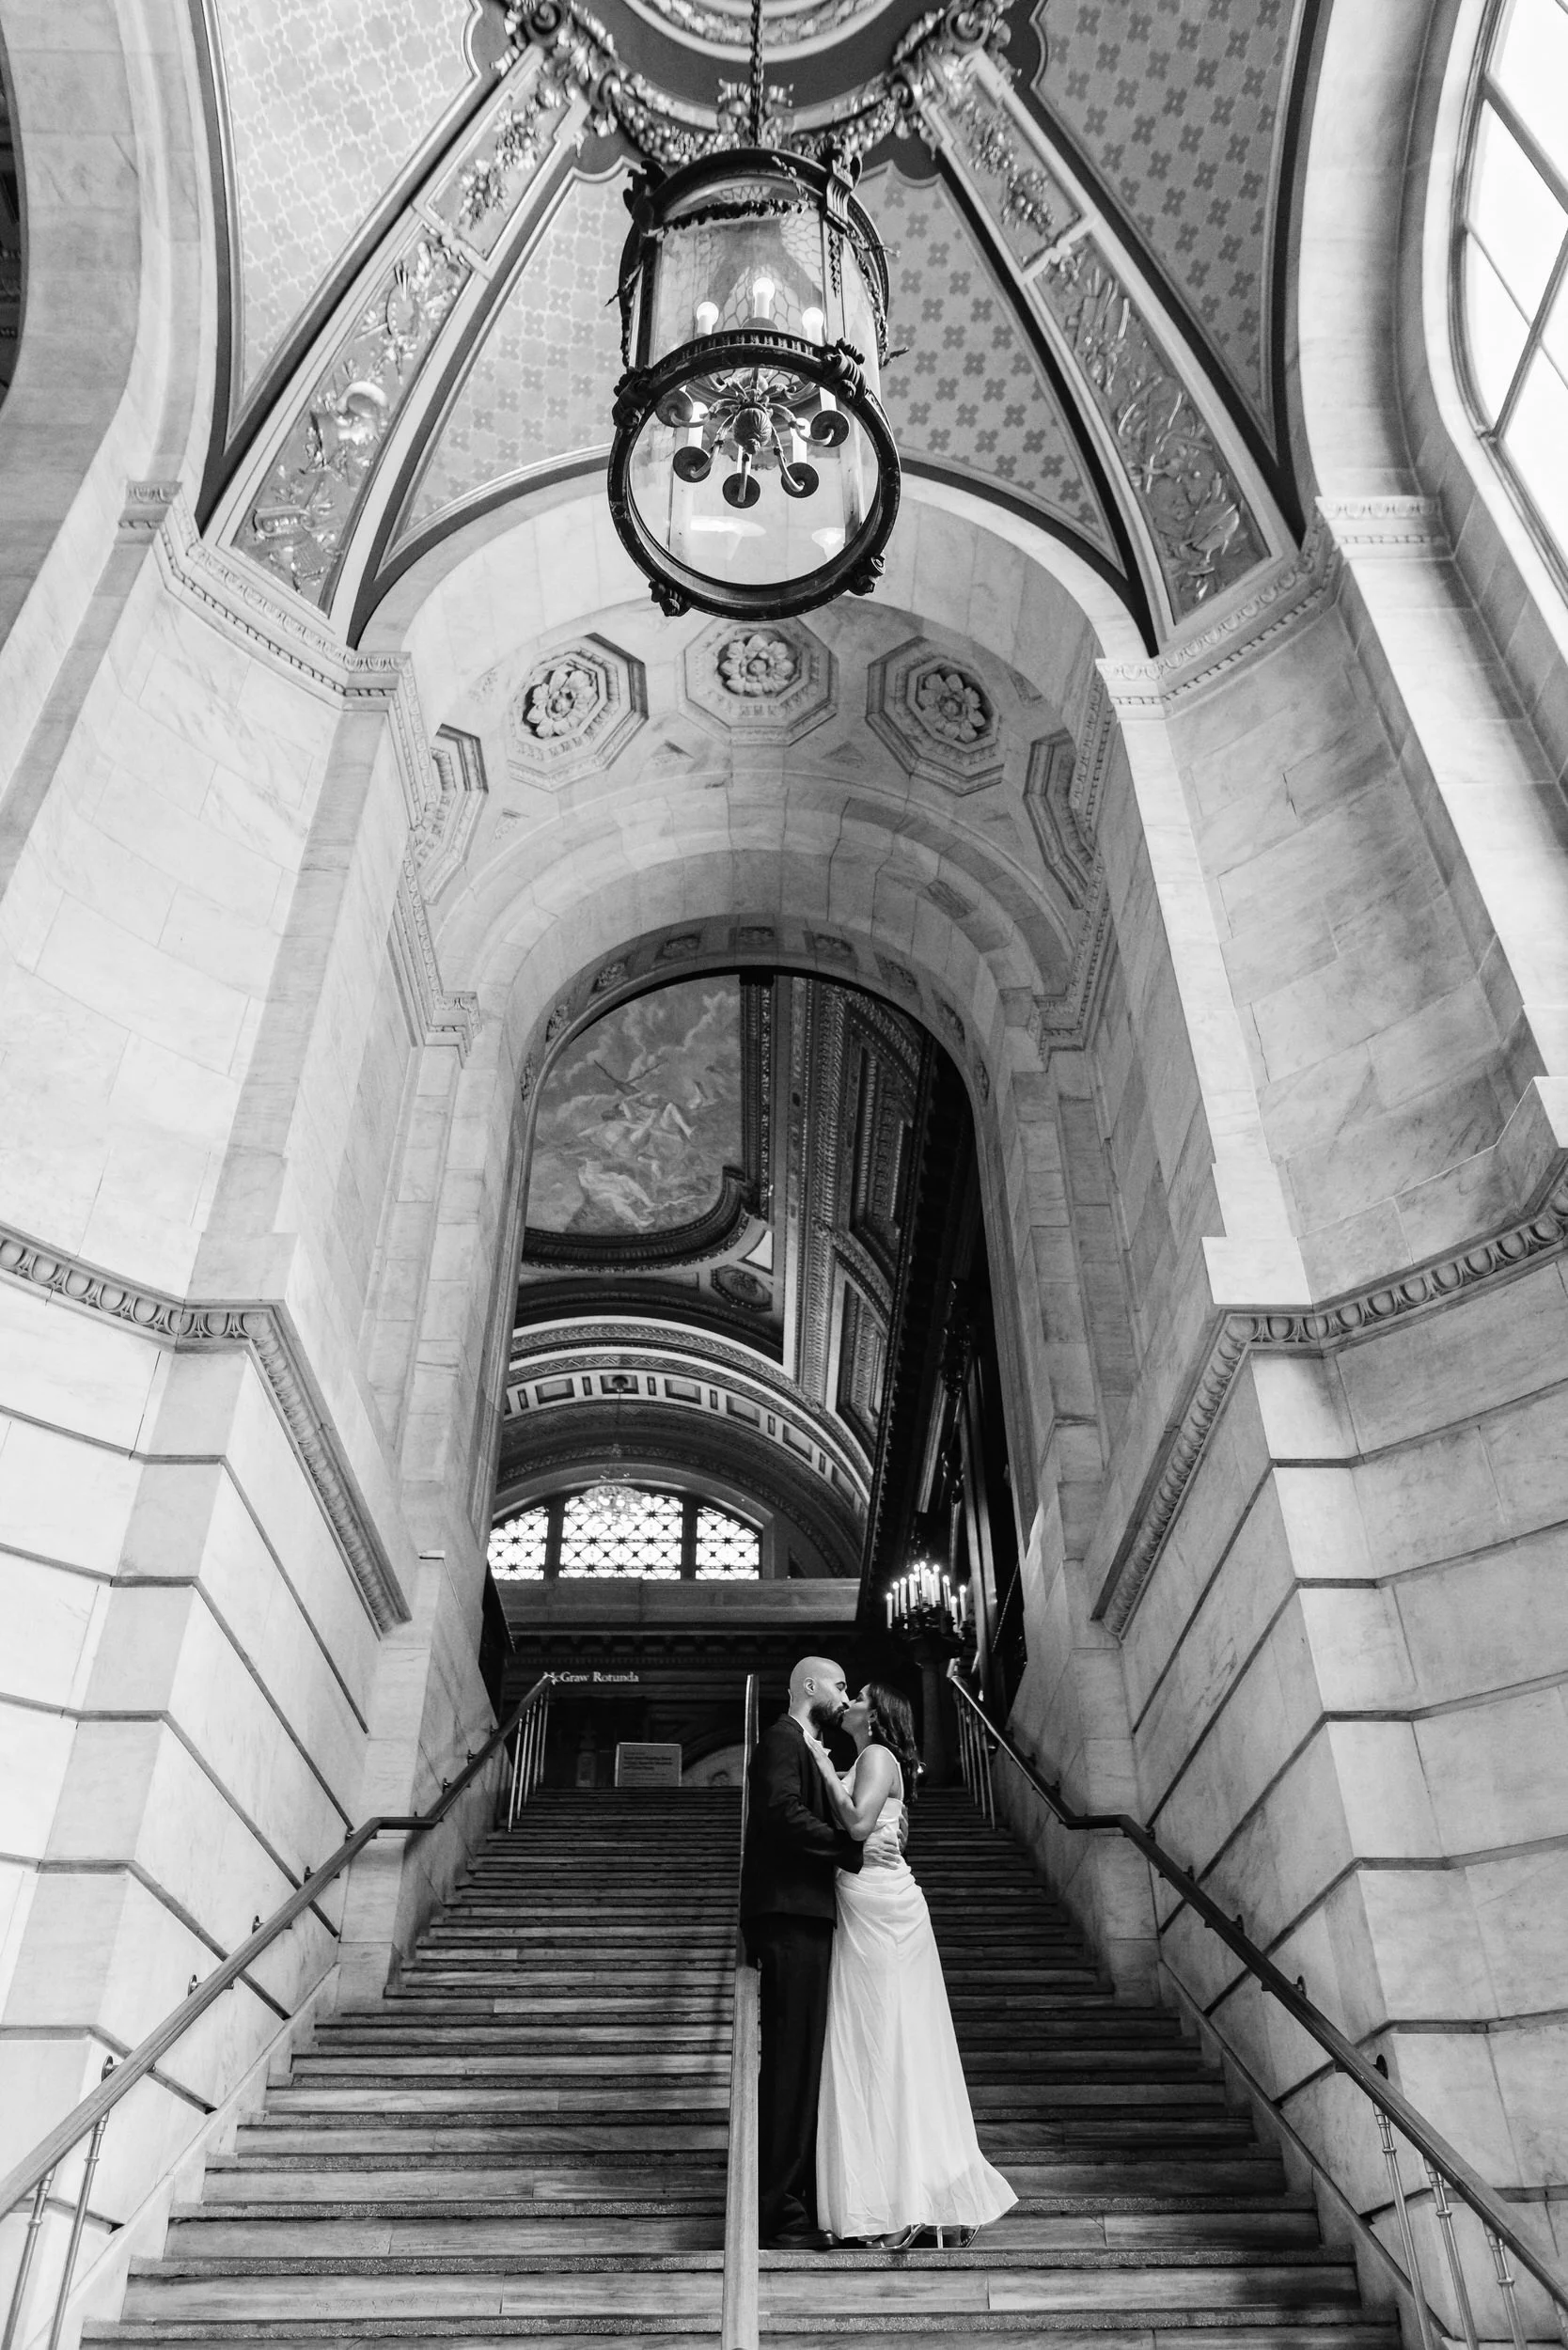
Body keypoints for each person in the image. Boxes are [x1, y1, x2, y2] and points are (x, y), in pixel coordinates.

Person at [807, 1680, 1017, 2248]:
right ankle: (909, 2197)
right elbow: (869, 1829)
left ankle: (913, 2200)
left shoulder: (875, 1755)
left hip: (881, 1909)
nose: (847, 1701)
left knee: (888, 2041)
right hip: (861, 1902)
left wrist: (821, 1765)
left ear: (875, 1715)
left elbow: (856, 1826)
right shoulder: (872, 1759)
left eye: (859, 1696)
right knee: (881, 2042)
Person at [739, 1656, 902, 2250]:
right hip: (788, 1916)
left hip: (806, 1916)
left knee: (805, 2062)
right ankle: (774, 2212)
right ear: (810, 1687)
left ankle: (795, 2199)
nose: (844, 1693)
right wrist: (850, 1851)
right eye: (837, 1684)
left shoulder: (810, 1745)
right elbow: (781, 1815)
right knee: (790, 2064)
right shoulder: (781, 1739)